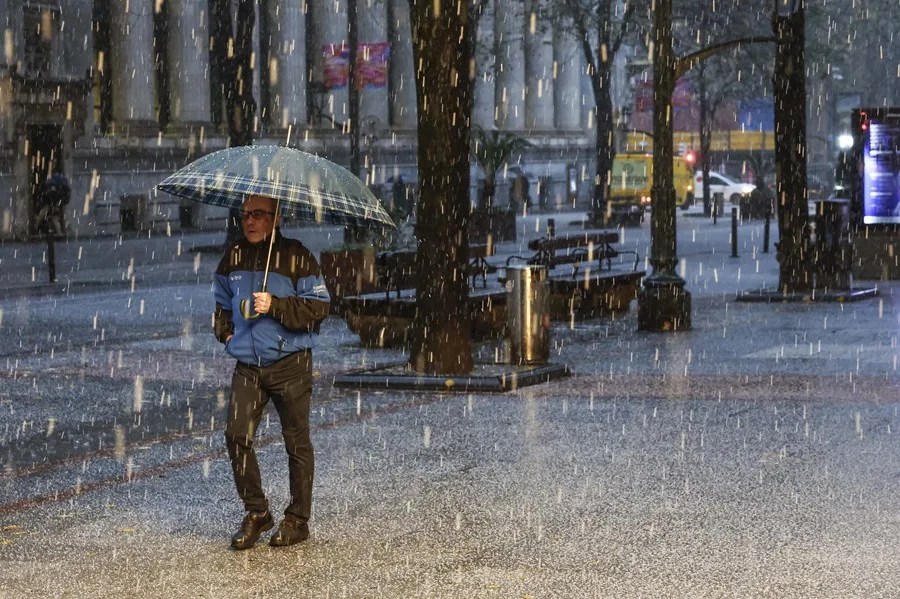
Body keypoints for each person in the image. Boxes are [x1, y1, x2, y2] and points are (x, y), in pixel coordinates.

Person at [213, 194, 331, 550]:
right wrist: (226, 331)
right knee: (236, 435)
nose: (249, 221)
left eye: (259, 215)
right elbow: (220, 304)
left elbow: (320, 307)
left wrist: (276, 306)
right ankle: (257, 512)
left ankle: (297, 519)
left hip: (290, 365)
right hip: (248, 366)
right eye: (246, 214)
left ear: (276, 218)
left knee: (296, 442)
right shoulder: (232, 256)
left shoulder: (297, 256)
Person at [36, 169, 70, 236]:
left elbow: (44, 193)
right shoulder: (60, 183)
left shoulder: (50, 183)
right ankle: (59, 232)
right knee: (54, 217)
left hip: (51, 202)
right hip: (54, 202)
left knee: (46, 215)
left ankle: (35, 227)